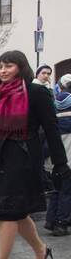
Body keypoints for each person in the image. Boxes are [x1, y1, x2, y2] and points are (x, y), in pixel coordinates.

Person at [0, 50, 70, 259]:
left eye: (9, 66)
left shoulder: (36, 92)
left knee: (6, 212)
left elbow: (51, 128)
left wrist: (60, 163)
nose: (3, 71)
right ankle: (40, 249)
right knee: (17, 211)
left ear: (21, 67)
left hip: (24, 157)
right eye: (0, 67)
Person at [46, 90, 71, 235]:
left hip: (55, 164)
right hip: (69, 162)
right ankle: (62, 222)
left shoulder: (52, 122)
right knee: (67, 193)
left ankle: (50, 220)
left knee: (56, 191)